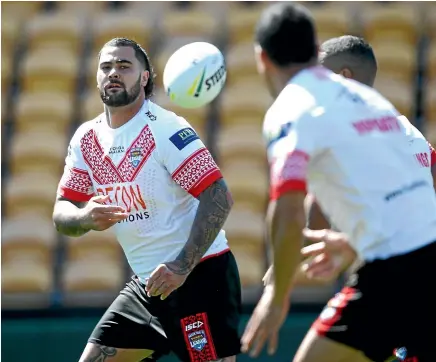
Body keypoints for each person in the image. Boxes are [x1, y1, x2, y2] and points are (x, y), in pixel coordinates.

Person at [241, 3, 436, 362]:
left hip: (395, 268)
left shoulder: (291, 108)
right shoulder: (373, 102)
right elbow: (414, 193)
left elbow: (287, 210)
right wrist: (352, 242)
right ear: (313, 48)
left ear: (262, 58)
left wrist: (277, 294)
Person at [53, 37, 242, 362]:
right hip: (147, 286)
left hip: (199, 276)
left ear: (144, 77)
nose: (113, 72)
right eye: (106, 66)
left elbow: (219, 197)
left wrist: (181, 266)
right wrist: (84, 218)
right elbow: (61, 212)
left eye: (124, 66)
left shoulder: (167, 129)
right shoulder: (86, 139)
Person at [303, 35, 436, 283]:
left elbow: (317, 203)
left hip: (389, 271)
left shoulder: (341, 130)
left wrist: (292, 263)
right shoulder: (405, 128)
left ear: (344, 76)